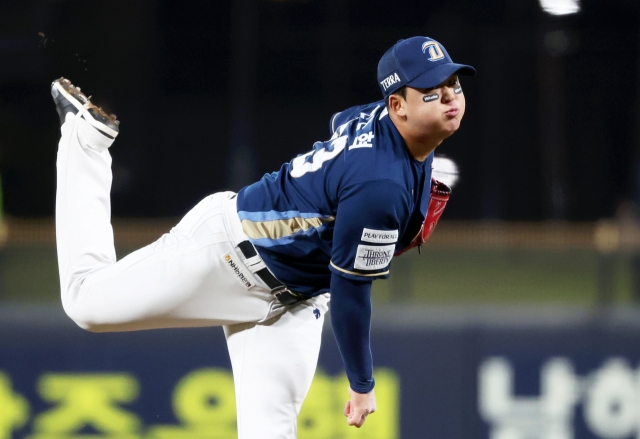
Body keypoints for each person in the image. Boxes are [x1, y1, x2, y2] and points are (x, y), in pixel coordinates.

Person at [51, 36, 474, 438]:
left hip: (295, 299)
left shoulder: (387, 123)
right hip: (227, 254)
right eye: (432, 92)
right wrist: (361, 382)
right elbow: (351, 291)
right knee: (85, 302)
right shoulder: (380, 187)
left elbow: (341, 123)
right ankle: (85, 140)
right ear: (397, 105)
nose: (451, 97)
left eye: (453, 83)